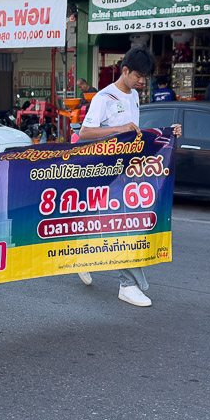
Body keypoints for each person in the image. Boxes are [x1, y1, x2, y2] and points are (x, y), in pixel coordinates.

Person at [77, 47, 182, 307]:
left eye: (145, 77)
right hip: (105, 172)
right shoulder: (103, 97)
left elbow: (134, 132)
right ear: (124, 70)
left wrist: (168, 133)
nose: (141, 81)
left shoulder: (134, 95)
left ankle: (89, 259)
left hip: (129, 171)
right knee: (123, 225)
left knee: (123, 224)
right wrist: (118, 129)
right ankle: (127, 284)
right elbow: (85, 133)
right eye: (138, 76)